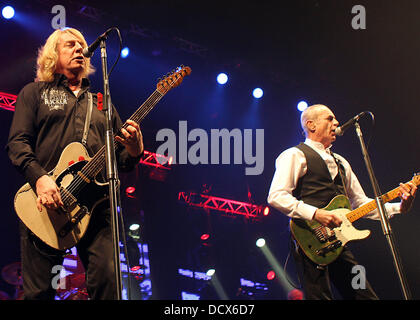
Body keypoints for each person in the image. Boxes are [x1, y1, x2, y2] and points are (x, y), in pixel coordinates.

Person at [6, 28, 144, 300]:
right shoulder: (35, 93)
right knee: (39, 291)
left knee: (108, 280)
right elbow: (18, 144)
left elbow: (122, 162)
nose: (80, 49)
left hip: (96, 204)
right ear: (52, 56)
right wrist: (40, 178)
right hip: (45, 202)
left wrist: (134, 149)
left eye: (82, 45)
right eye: (70, 45)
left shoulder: (102, 102)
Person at [267, 104, 417, 300]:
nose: (336, 123)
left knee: (365, 295)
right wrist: (316, 213)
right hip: (310, 241)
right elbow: (276, 196)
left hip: (338, 243)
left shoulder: (341, 162)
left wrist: (400, 206)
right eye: (329, 119)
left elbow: (361, 203)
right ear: (311, 125)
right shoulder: (295, 155)